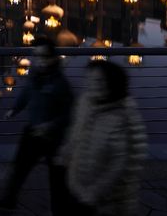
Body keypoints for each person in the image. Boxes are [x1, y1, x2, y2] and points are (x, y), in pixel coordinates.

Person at [0, 37, 75, 213]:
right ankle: (7, 201)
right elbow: (26, 93)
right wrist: (14, 110)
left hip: (54, 138)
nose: (39, 61)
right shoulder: (35, 75)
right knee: (20, 168)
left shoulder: (61, 84)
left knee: (57, 177)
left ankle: (59, 210)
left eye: (43, 57)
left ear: (53, 58)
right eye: (36, 56)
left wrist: (51, 125)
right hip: (33, 132)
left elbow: (68, 114)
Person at [59, 60, 148, 216]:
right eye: (89, 79)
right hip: (78, 186)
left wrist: (95, 191)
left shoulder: (123, 117)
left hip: (107, 199)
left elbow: (123, 163)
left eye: (98, 80)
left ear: (112, 84)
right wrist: (66, 152)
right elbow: (76, 132)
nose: (91, 84)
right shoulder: (85, 103)